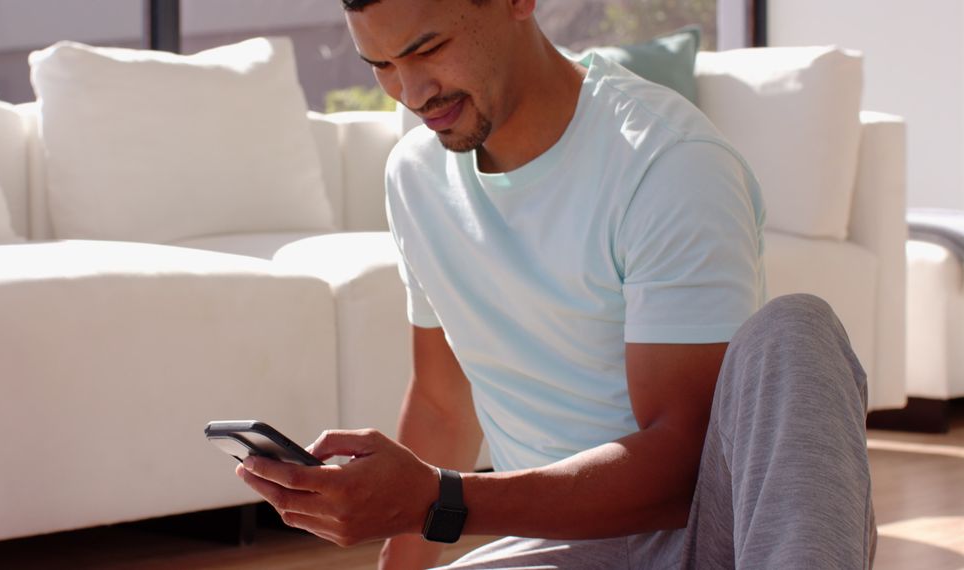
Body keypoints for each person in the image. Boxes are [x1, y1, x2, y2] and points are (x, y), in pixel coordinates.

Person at [235, 0, 877, 568]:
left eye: (427, 48)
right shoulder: (415, 177)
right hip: (553, 546)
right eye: (379, 64)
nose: (412, 90)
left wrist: (442, 500)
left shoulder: (665, 161)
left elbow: (682, 464)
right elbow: (441, 403)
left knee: (796, 330)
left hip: (709, 538)